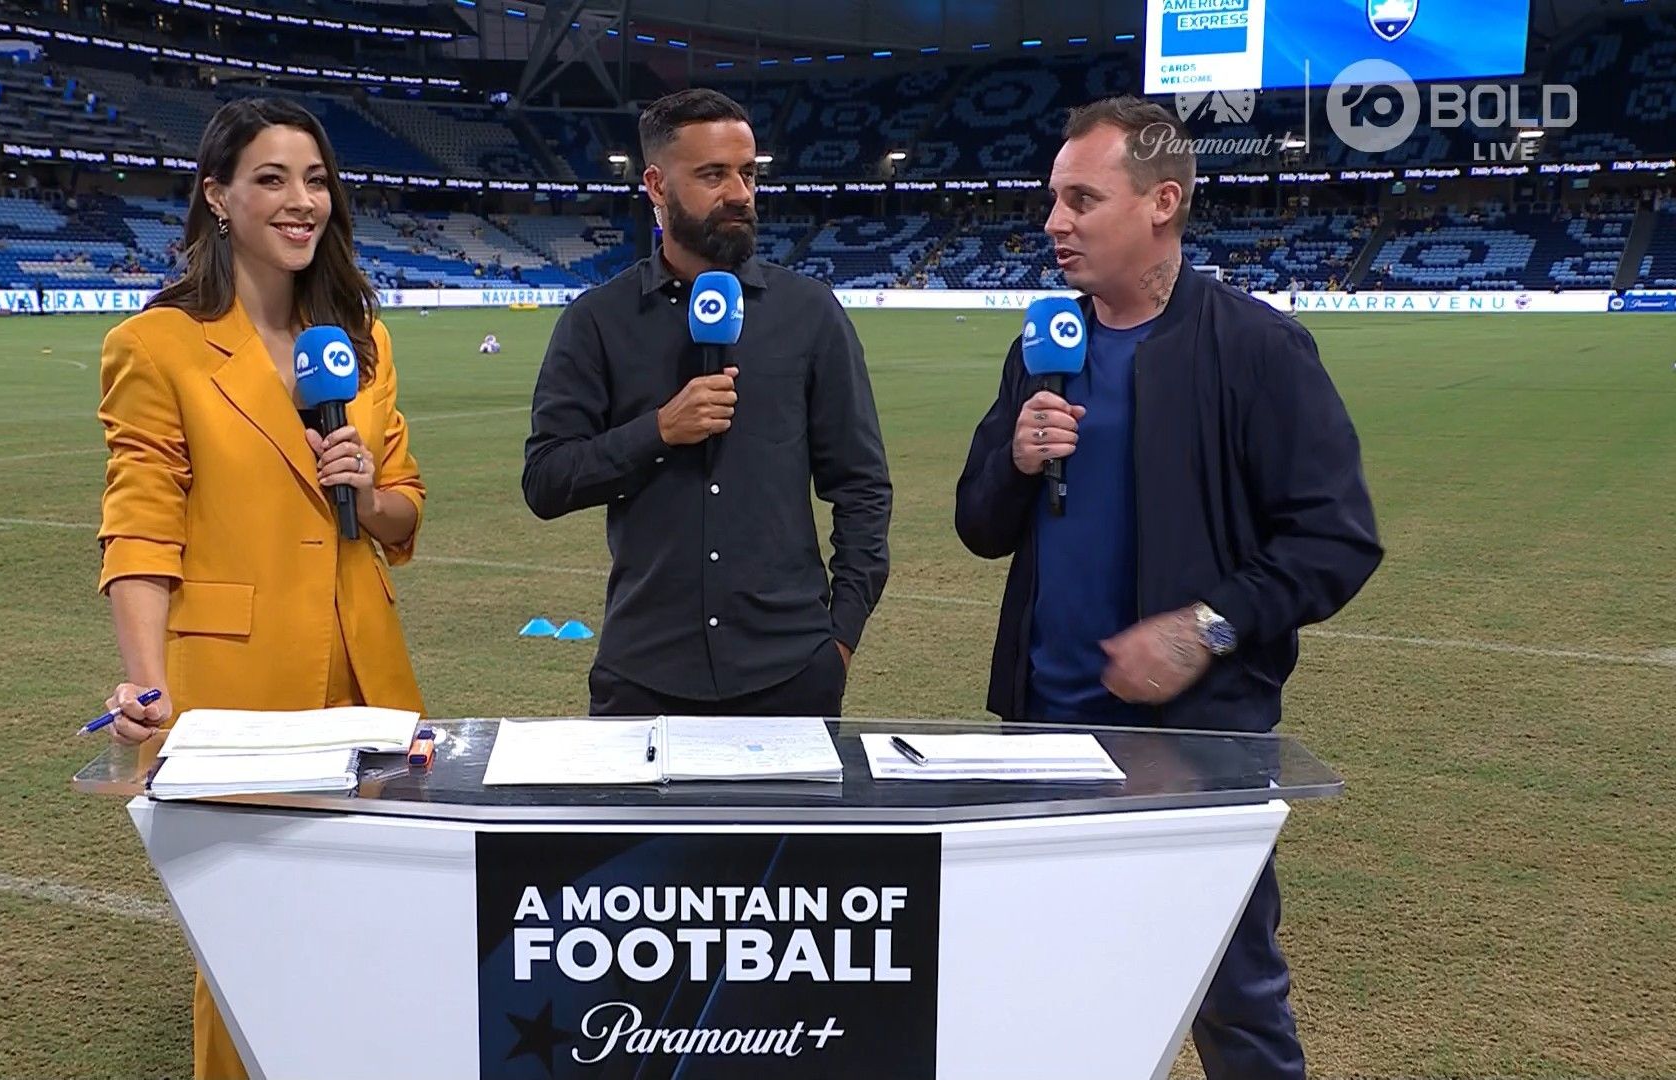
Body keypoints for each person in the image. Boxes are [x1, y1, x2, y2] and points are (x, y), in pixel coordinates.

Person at [953, 96, 1382, 1080]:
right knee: (1047, 989)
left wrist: (1206, 628)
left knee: (1234, 1002)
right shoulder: (1041, 345)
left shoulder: (1256, 349)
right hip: (1044, 734)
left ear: (1162, 204)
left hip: (1196, 745)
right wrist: (1015, 459)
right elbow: (980, 528)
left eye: (1081, 199)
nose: (1053, 222)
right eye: (1053, 199)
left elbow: (1335, 539)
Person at [93, 97, 427, 1080]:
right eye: (272, 179)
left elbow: (405, 510)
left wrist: (367, 492)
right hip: (234, 696)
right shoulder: (156, 346)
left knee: (375, 927)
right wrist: (146, 682)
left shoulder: (360, 339)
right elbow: (141, 525)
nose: (301, 201)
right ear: (217, 197)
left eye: (316, 179)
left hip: (368, 676)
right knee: (250, 949)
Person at [523, 87, 890, 718]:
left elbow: (861, 486)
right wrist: (659, 431)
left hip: (792, 671)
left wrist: (840, 640)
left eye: (748, 174)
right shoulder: (597, 321)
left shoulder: (809, 314)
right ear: (656, 185)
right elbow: (546, 480)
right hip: (643, 673)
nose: (740, 194)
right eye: (714, 175)